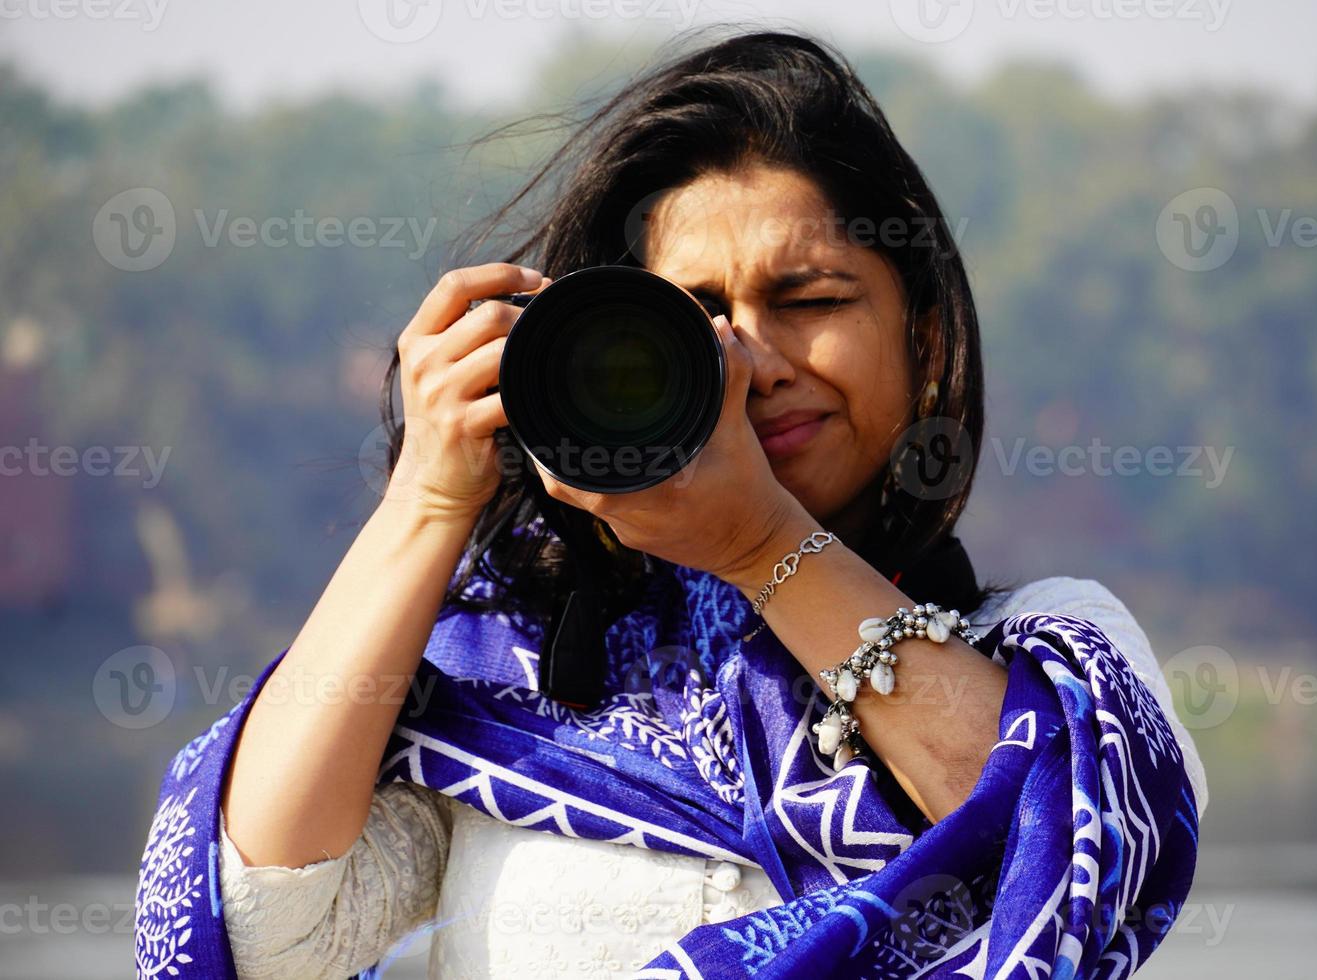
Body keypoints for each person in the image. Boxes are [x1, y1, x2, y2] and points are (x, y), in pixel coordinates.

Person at [134, 29, 1206, 980]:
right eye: (696, 316)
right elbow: (260, 927)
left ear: (923, 340)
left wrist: (759, 542)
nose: (756, 359)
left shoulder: (1053, 663)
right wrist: (425, 498)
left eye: (812, 299)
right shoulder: (518, 689)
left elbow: (1054, 847)